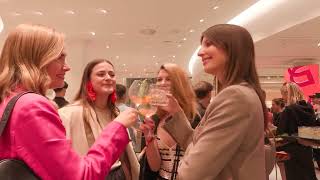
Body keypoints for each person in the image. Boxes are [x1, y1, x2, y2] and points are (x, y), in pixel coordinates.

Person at [0, 24, 138, 180]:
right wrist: (117, 128)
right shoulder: (32, 106)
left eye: (112, 74)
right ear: (38, 58)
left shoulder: (11, 99)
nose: (67, 67)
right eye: (60, 57)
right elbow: (80, 176)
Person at [152, 24, 267, 180]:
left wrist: (186, 159)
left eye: (209, 44)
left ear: (232, 48)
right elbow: (195, 142)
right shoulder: (238, 93)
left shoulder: (235, 96)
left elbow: (191, 173)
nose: (200, 52)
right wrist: (176, 112)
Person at [59, 59, 140, 180]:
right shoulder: (69, 113)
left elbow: (124, 156)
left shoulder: (116, 113)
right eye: (101, 74)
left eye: (112, 74)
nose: (108, 78)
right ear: (88, 81)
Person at [141, 63, 197, 180]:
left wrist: (175, 111)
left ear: (179, 83)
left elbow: (200, 157)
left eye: (168, 79)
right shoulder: (155, 119)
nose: (162, 83)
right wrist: (149, 139)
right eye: (159, 79)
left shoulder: (194, 118)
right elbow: (155, 167)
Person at [277, 82, 317, 180]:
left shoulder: (288, 110)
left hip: (291, 150)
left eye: (283, 94)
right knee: (308, 175)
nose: (283, 98)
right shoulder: (309, 108)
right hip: (306, 149)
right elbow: (312, 129)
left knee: (294, 175)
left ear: (287, 93)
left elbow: (281, 132)